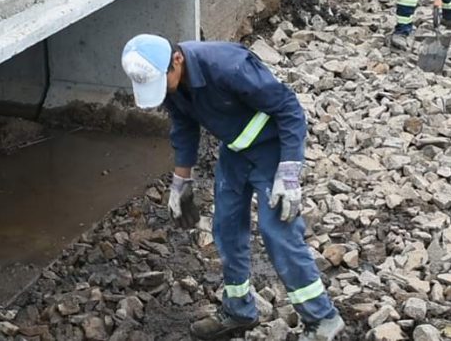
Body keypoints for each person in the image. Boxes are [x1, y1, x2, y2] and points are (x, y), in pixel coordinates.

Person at [120, 34, 345, 341]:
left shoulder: (229, 66)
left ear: (177, 60)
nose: (164, 91)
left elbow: (289, 108)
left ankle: (322, 318)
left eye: (163, 82)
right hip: (235, 153)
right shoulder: (171, 82)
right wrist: (181, 180)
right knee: (225, 229)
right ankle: (238, 310)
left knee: (276, 231)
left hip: (271, 151)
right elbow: (184, 125)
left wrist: (290, 171)